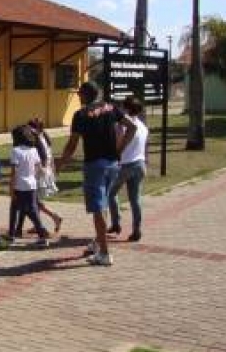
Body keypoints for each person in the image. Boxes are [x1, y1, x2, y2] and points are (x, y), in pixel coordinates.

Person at [59, 82, 137, 267]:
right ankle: (98, 242)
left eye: (80, 94)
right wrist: (119, 149)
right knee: (103, 206)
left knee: (97, 209)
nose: (78, 97)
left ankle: (104, 253)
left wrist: (61, 162)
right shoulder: (111, 107)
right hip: (112, 165)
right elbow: (132, 128)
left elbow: (72, 144)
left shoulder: (81, 115)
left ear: (86, 95)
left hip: (95, 166)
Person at [108, 96, 148, 242]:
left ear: (126, 109)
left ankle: (116, 223)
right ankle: (136, 230)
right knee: (135, 199)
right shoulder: (143, 126)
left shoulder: (123, 126)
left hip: (125, 165)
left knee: (110, 193)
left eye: (122, 107)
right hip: (140, 164)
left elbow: (118, 143)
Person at [8, 125, 51, 246]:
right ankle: (14, 234)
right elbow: (39, 169)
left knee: (17, 209)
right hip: (31, 185)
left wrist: (11, 188)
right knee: (31, 210)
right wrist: (46, 170)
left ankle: (13, 235)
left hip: (19, 186)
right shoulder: (33, 150)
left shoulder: (16, 151)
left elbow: (14, 172)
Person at [25, 118, 63, 234]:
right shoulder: (44, 137)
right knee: (34, 200)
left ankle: (53, 217)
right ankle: (38, 223)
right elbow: (50, 157)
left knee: (32, 201)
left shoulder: (37, 139)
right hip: (46, 172)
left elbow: (43, 159)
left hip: (39, 174)